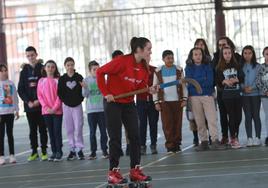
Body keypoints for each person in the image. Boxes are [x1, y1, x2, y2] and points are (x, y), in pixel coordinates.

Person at [97, 37, 155, 185]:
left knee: (135, 136)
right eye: (148, 49)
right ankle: (113, 172)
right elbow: (99, 72)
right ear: (139, 50)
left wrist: (150, 90)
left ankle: (135, 170)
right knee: (115, 138)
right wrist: (106, 93)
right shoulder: (122, 61)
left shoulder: (144, 68)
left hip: (129, 103)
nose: (150, 52)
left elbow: (140, 90)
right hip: (113, 103)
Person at [185, 47, 224, 151]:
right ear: (192, 57)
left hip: (207, 95)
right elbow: (189, 82)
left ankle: (215, 140)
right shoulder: (188, 68)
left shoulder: (208, 66)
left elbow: (210, 81)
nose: (198, 56)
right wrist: (200, 81)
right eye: (195, 55)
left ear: (203, 55)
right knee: (199, 120)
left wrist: (197, 83)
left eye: (200, 54)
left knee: (212, 119)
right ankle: (204, 142)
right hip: (194, 97)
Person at [153, 50, 187, 153]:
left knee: (177, 123)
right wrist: (156, 102)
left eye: (172, 58)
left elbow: (184, 85)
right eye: (168, 58)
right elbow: (155, 88)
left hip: (177, 101)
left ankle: (177, 144)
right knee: (167, 124)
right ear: (163, 59)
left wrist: (184, 98)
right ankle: (170, 145)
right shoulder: (158, 71)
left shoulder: (179, 69)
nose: (170, 60)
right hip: (164, 102)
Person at [18, 46, 48, 161]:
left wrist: (39, 100)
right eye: (28, 56)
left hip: (42, 106)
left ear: (36, 54)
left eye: (32, 55)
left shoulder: (42, 69)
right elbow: (20, 89)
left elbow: (45, 86)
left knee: (43, 129)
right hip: (29, 107)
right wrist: (28, 101)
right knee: (32, 130)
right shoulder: (24, 71)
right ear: (26, 57)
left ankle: (44, 151)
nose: (31, 57)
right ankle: (34, 151)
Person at [212, 36, 241, 145]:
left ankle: (233, 135)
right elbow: (215, 76)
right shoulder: (216, 58)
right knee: (224, 115)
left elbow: (241, 75)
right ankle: (226, 136)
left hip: (236, 92)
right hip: (222, 92)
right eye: (219, 45)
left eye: (224, 44)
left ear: (229, 44)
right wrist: (222, 83)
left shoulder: (237, 58)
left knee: (236, 116)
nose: (221, 47)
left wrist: (237, 80)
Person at [58, 57, 84, 160]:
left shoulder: (79, 77)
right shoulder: (62, 79)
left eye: (71, 65)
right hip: (67, 106)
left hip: (77, 105)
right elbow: (59, 92)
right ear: (65, 66)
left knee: (78, 127)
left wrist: (79, 100)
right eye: (68, 65)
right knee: (69, 128)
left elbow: (82, 90)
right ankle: (72, 148)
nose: (70, 67)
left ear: (74, 65)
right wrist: (66, 101)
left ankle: (79, 149)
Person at [81, 60, 108, 160]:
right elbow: (85, 95)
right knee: (92, 132)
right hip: (91, 111)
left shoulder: (103, 79)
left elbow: (106, 93)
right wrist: (85, 88)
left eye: (98, 69)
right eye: (94, 69)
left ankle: (105, 151)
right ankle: (93, 152)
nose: (96, 71)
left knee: (103, 132)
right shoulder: (86, 80)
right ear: (89, 70)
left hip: (102, 110)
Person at [37, 60, 63, 162]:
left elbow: (60, 96)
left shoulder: (58, 80)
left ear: (55, 68)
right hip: (46, 111)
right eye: (48, 67)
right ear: (45, 68)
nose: (50, 69)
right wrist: (46, 107)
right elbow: (40, 96)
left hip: (57, 111)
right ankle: (53, 152)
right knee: (51, 133)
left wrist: (54, 108)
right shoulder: (41, 81)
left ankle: (59, 152)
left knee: (57, 132)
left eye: (52, 67)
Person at [240, 45, 262, 147]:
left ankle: (257, 137)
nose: (247, 55)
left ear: (253, 54)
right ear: (242, 54)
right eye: (245, 53)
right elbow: (239, 79)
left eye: (249, 53)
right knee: (248, 116)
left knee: (256, 116)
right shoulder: (240, 66)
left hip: (255, 94)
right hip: (244, 95)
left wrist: (251, 88)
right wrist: (244, 87)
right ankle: (249, 138)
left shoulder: (258, 67)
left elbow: (259, 79)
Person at [137, 64, 159, 155]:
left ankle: (153, 145)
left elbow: (158, 83)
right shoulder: (136, 69)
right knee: (142, 124)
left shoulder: (155, 70)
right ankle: (142, 146)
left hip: (153, 100)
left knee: (153, 123)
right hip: (141, 101)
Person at [0, 64, 19, 165]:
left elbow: (15, 97)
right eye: (2, 71)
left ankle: (12, 155)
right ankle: (1, 156)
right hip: (1, 114)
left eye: (5, 70)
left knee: (10, 134)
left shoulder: (11, 83)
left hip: (10, 112)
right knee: (1, 135)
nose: (4, 72)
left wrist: (17, 110)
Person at [111, 50, 129, 156]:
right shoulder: (111, 72)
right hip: (115, 103)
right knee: (115, 128)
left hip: (127, 102)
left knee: (129, 127)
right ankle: (117, 148)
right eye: (118, 59)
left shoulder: (127, 70)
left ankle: (129, 146)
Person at [256, 46, 268, 146]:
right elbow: (258, 81)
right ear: (263, 55)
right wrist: (265, 91)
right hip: (265, 96)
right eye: (267, 54)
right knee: (267, 116)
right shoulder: (260, 67)